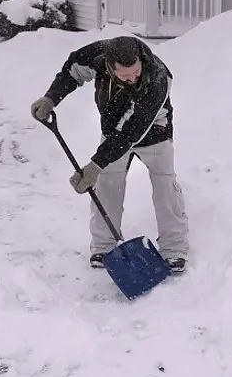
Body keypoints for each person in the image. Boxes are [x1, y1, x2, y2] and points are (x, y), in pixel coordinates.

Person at [30, 35, 189, 273]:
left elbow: (131, 130)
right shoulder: (98, 56)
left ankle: (174, 249)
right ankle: (103, 247)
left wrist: (96, 164)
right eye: (125, 75)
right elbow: (72, 71)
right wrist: (51, 98)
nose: (133, 78)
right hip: (114, 132)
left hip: (154, 132)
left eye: (136, 72)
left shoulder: (157, 77)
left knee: (165, 187)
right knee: (107, 186)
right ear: (110, 67)